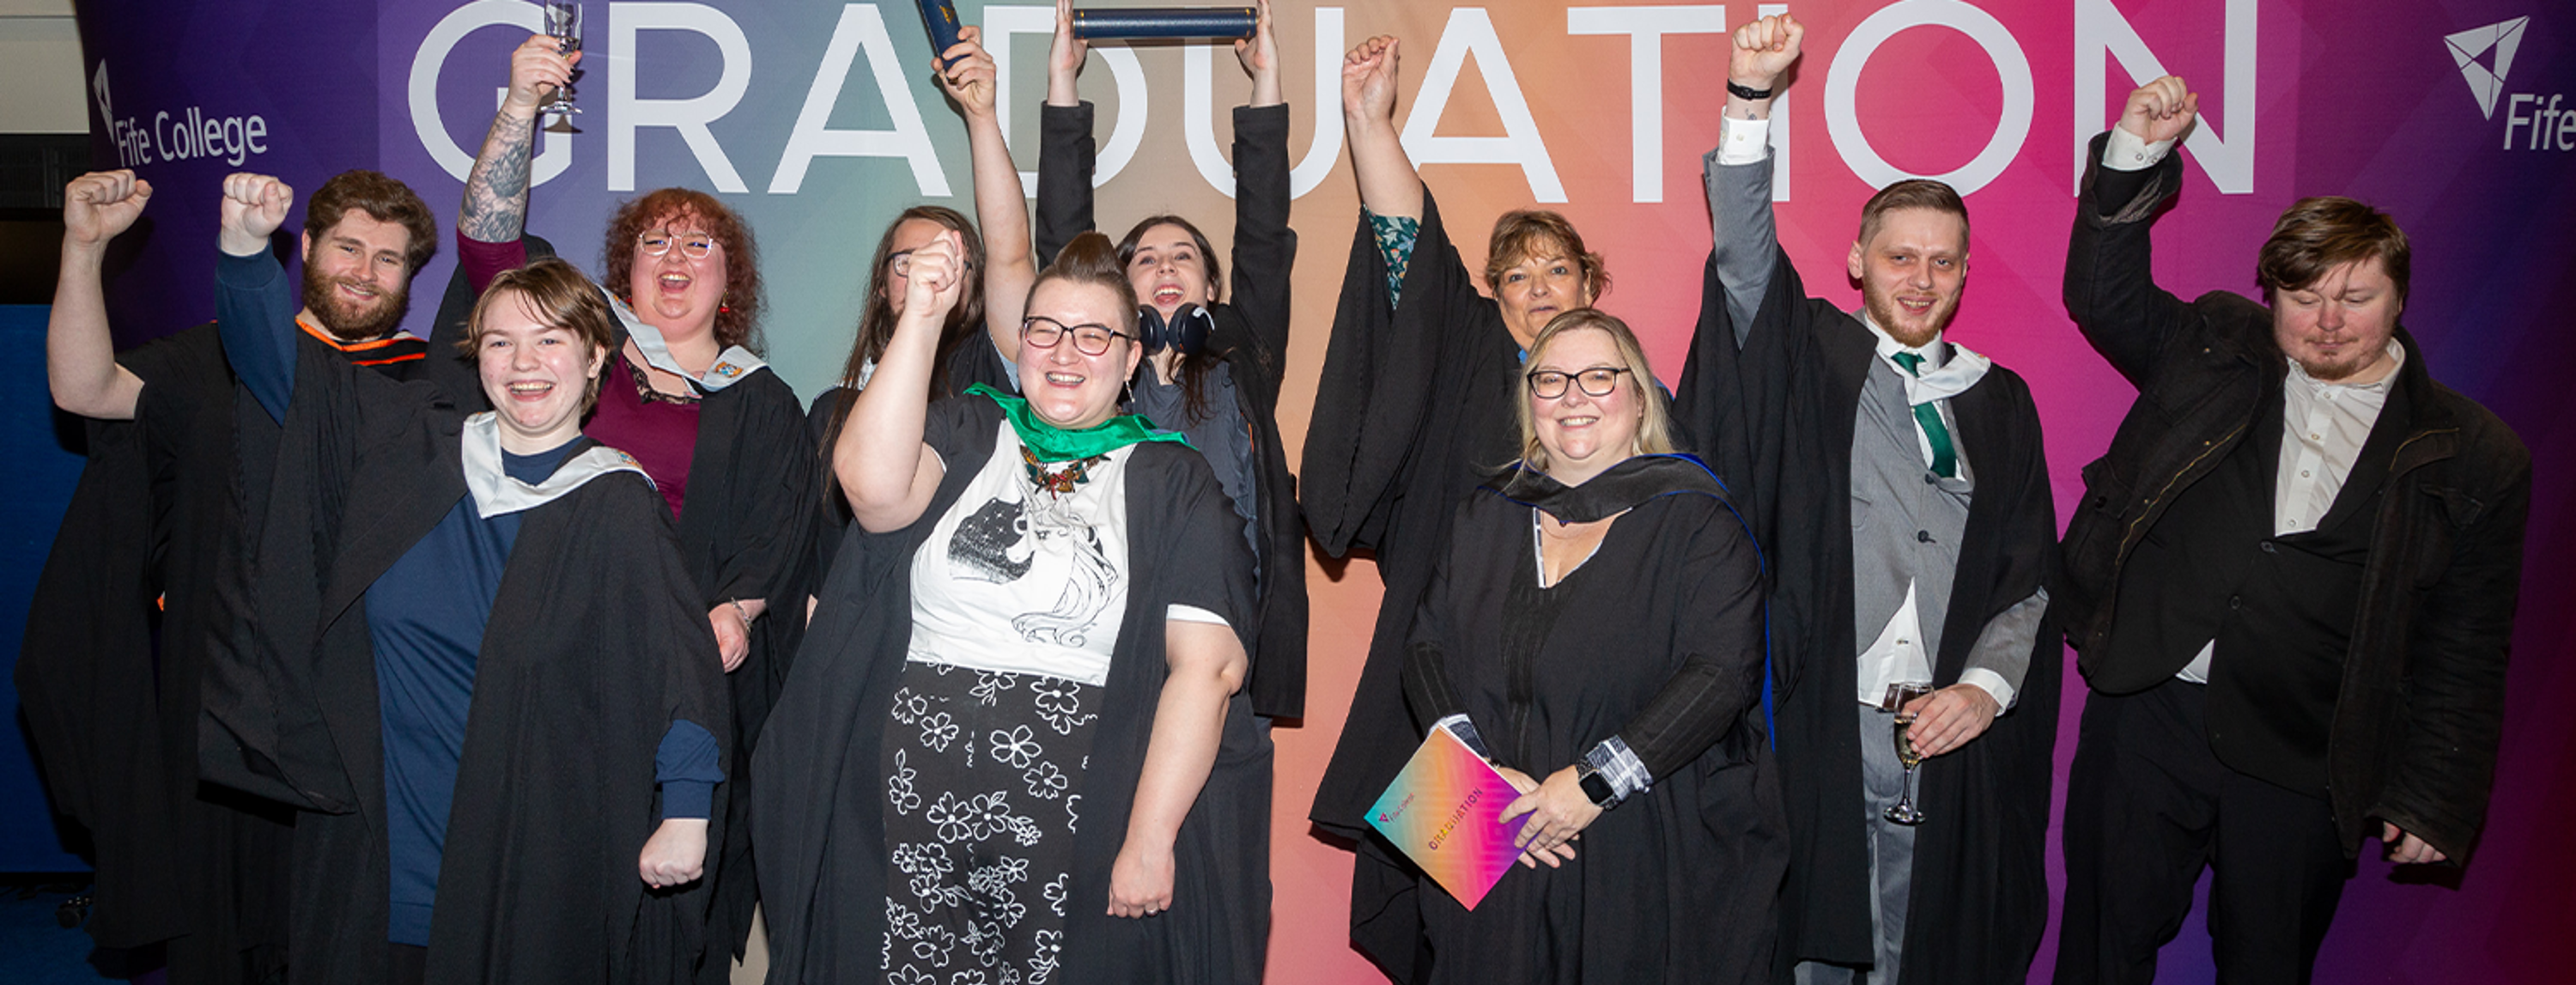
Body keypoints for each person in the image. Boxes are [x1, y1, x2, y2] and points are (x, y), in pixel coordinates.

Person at [2052, 76, 2531, 985]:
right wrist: (2134, 153)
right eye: (2301, 296)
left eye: (2354, 297)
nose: (2325, 322)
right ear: (2268, 294)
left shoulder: (2473, 454)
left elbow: (2468, 644)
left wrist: (2436, 794)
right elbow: (2104, 297)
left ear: (2400, 297)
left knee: (2269, 966)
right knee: (2100, 955)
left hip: (2308, 748)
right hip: (2154, 708)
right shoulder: (2215, 348)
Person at [197, 173, 730, 985]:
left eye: (551, 340)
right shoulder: (410, 446)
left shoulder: (614, 501)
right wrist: (244, 252)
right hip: (377, 841)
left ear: (594, 359)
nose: (525, 364)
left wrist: (687, 813)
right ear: (473, 355)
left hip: (525, 854)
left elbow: (677, 666)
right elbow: (285, 377)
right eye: (500, 341)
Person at [753, 232, 1267, 984]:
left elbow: (1207, 667)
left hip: (1074, 820)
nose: (1066, 351)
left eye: (1094, 336)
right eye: (1045, 330)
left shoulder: (1174, 480)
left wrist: (1150, 838)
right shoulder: (967, 428)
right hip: (899, 811)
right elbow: (870, 491)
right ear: (1019, 343)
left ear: (1130, 360)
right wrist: (922, 319)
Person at [1673, 16, 2061, 984]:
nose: (1920, 279)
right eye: (1900, 257)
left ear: (1966, 272)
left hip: (1948, 731)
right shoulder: (1809, 352)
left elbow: (2029, 573)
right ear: (1858, 261)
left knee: (1925, 952)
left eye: (1942, 261)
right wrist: (1751, 100)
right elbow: (1744, 255)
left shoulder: (2001, 398)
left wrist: (1986, 689)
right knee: (1811, 946)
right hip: (1821, 722)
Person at [447, 33, 819, 970]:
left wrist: (736, 609)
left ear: (731, 284)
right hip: (543, 645)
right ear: (623, 269)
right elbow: (488, 239)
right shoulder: (579, 349)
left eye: (702, 243)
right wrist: (519, 108)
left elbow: (781, 529)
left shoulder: (764, 399)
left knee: (666, 901)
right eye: (656, 238)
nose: (677, 255)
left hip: (682, 664)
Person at [21, 167, 439, 984]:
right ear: (306, 248)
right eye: (348, 247)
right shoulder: (212, 357)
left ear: (410, 279)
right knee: (223, 941)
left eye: (388, 259)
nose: (364, 270)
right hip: (222, 706)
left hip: (366, 714)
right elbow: (83, 388)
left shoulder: (427, 385)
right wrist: (81, 251)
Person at [1300, 34, 1622, 978]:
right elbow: (1410, 249)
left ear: (1591, 287)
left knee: (1583, 917)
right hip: (1460, 689)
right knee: (1466, 927)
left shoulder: (1634, 400)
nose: (1533, 289)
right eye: (1514, 275)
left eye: (1554, 270)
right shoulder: (1473, 359)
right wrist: (1368, 121)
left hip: (1588, 705)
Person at [938, 0, 1305, 718]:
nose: (1166, 267)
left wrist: (1266, 82)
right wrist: (1063, 81)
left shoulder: (1244, 358)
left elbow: (1264, 232)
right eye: (1145, 258)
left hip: (1224, 647)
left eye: (1185, 257)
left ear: (1211, 287)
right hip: (1103, 644)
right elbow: (1062, 235)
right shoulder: (1093, 374)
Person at [1396, 309, 1781, 982]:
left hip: (1635, 834)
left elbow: (1721, 676)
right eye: (1550, 380)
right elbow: (1423, 648)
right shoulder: (1483, 513)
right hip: (1480, 817)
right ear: (1529, 401)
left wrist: (1589, 786)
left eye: (1598, 377)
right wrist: (1484, 779)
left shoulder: (1701, 520)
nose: (1573, 396)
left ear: (1639, 396)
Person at [805, 204, 1013, 593]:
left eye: (945, 260)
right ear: (882, 285)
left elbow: (1012, 252)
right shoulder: (832, 412)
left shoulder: (989, 384)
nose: (926, 274)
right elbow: (814, 547)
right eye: (908, 262)